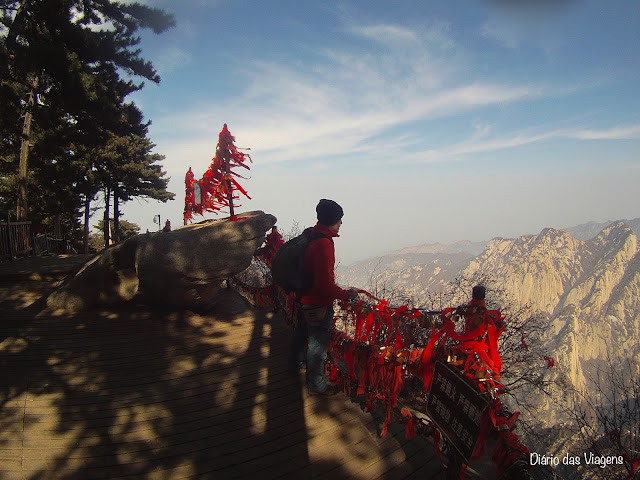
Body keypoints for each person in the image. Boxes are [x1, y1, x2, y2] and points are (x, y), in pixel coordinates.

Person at [288, 199, 359, 396]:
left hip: (303, 298)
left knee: (301, 333)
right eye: (340, 219)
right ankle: (316, 386)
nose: (341, 223)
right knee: (317, 348)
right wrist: (346, 294)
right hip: (316, 304)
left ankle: (294, 364)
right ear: (333, 220)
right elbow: (324, 284)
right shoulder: (323, 244)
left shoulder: (312, 234)